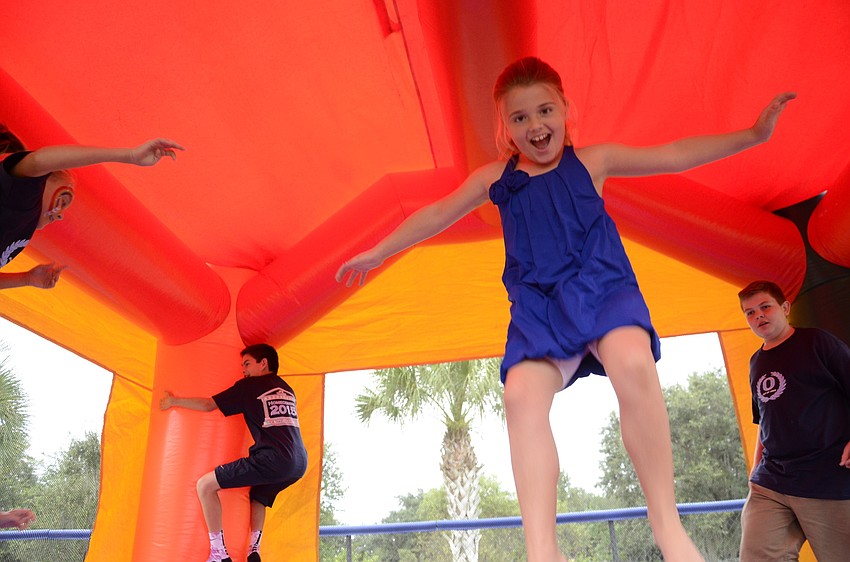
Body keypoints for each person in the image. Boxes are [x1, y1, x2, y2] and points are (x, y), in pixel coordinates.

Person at [335, 56, 795, 562]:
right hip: (538, 307)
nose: (536, 126)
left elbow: (674, 154)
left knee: (633, 362)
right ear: (505, 128)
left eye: (545, 111)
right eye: (520, 118)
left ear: (565, 110)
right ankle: (543, 550)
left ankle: (668, 527)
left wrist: (752, 135)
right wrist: (379, 251)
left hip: (602, 288)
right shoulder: (497, 178)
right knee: (518, 397)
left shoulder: (592, 161)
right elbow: (437, 213)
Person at [160, 343, 308, 562]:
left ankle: (219, 554)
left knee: (204, 485)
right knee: (259, 496)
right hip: (298, 464)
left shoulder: (250, 386)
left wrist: (173, 401)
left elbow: (210, 405)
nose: (244, 370)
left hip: (273, 459)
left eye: (247, 364)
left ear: (263, 363)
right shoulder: (287, 389)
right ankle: (253, 550)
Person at [737, 280, 850, 561]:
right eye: (750, 312)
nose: (758, 315)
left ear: (785, 308)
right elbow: (764, 421)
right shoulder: (755, 362)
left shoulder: (817, 341)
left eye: (765, 307)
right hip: (771, 482)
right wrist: (755, 473)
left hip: (828, 477)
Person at [0, 124, 184, 290]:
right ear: (41, 181)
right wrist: (128, 155)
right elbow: (37, 161)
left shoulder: (22, 225)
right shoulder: (22, 199)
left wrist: (27, 279)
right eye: (62, 201)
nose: (60, 215)